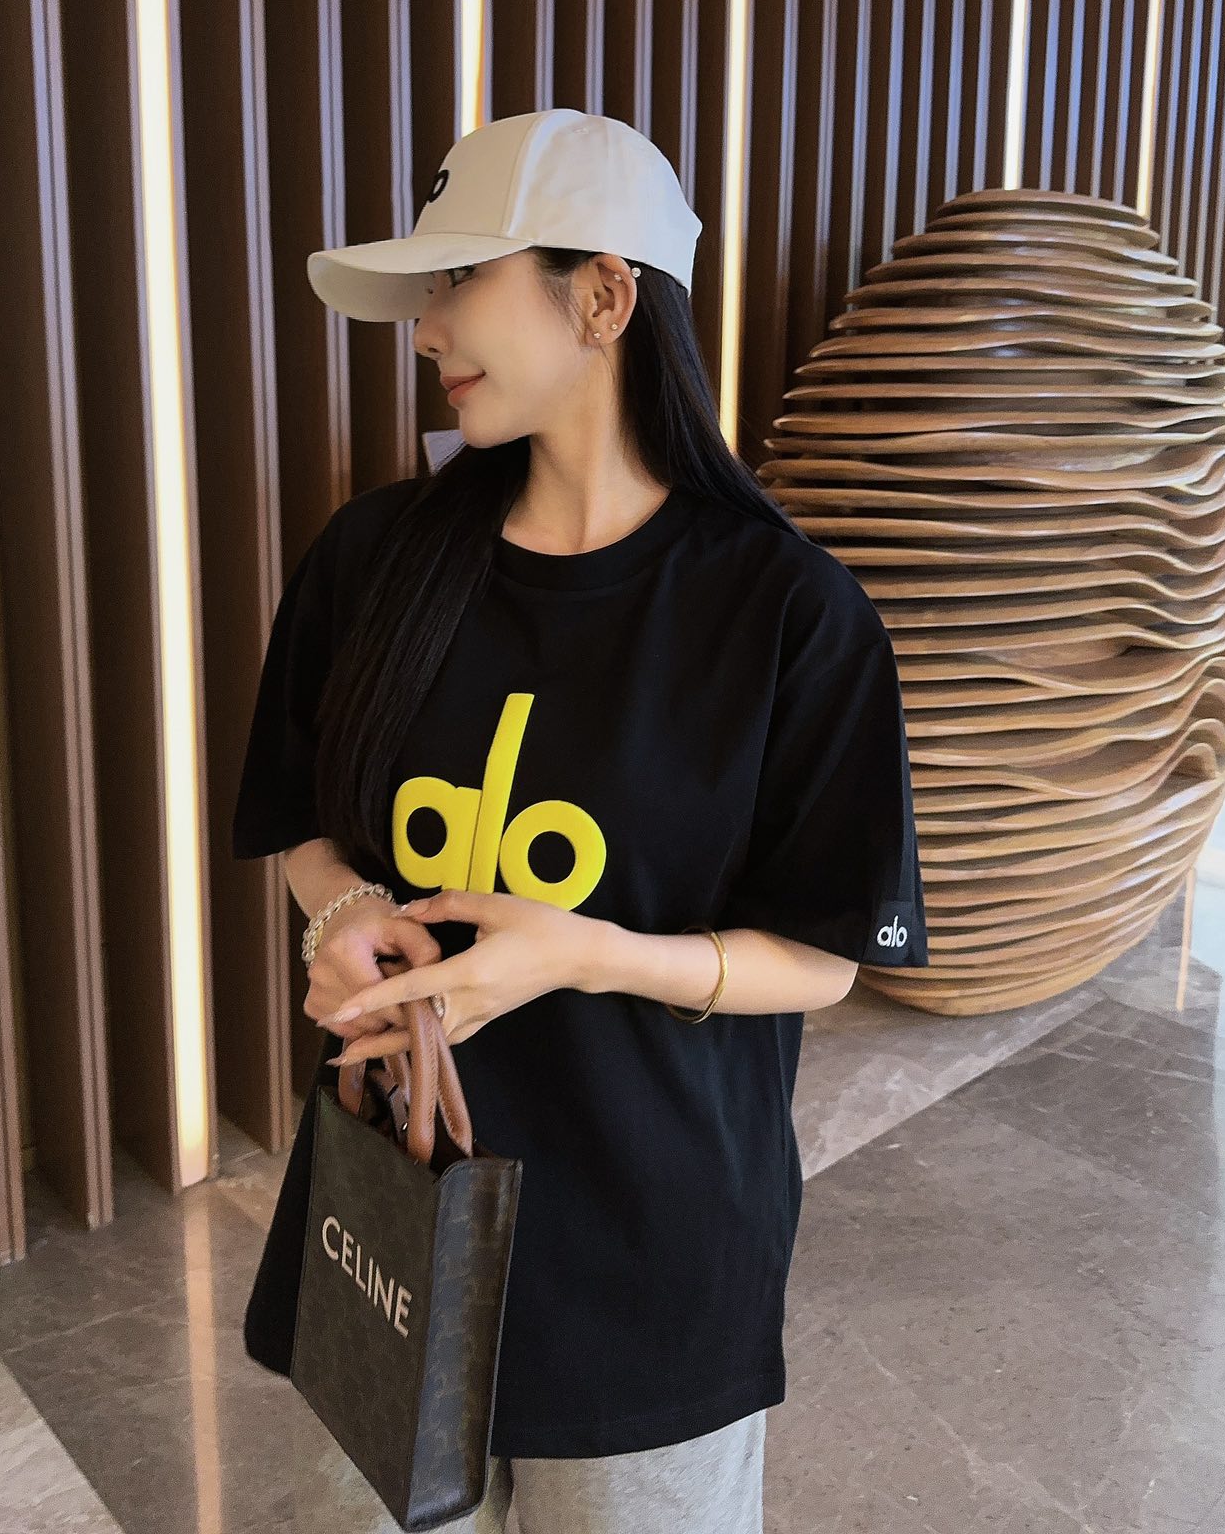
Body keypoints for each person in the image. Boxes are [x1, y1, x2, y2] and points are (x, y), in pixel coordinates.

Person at [231, 108, 929, 1533]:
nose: (427, 331)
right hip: (399, 1218)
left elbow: (821, 957)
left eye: (458, 281)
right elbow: (302, 819)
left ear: (603, 296)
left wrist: (587, 953)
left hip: (652, 1266)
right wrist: (345, 914)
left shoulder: (793, 615)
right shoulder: (373, 559)